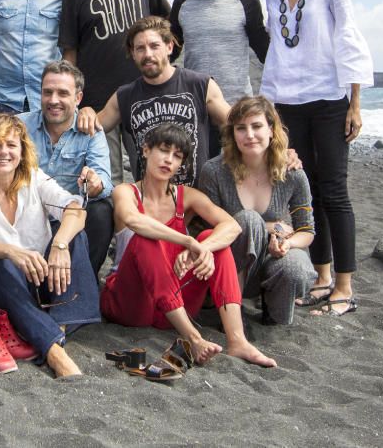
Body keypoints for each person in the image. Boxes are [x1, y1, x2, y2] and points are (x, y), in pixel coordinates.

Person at [258, 0, 373, 317]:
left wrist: (354, 103)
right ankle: (322, 279)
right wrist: (270, 108)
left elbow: (348, 39)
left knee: (335, 191)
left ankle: (344, 286)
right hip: (288, 105)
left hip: (329, 100)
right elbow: (277, 52)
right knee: (307, 192)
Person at [100, 124, 276, 367]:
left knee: (213, 241)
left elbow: (232, 226)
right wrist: (186, 240)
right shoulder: (126, 191)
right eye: (163, 150)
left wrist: (204, 248)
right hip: (130, 303)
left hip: (172, 310)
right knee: (146, 239)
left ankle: (237, 341)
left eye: (177, 156)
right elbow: (134, 221)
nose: (168, 160)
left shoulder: (186, 196)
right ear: (146, 150)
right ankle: (193, 337)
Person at [0, 115, 101, 379]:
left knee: (74, 237)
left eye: (11, 145)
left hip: (36, 285)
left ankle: (51, 329)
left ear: (22, 152)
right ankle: (55, 351)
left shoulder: (34, 180)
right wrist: (12, 251)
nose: (4, 152)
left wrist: (59, 244)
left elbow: (76, 210)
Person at [60, 0, 170, 183]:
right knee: (108, 179)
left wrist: (165, 74)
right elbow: (69, 54)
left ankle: (153, 226)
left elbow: (169, 27)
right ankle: (116, 227)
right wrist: (77, 101)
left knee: (153, 174)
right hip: (98, 107)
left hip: (145, 99)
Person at [199, 96, 316, 325]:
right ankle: (233, 310)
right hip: (230, 262)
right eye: (241, 128)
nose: (249, 135)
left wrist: (286, 244)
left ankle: (274, 315)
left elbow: (307, 230)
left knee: (295, 267)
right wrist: (272, 227)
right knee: (248, 220)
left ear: (271, 130)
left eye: (257, 126)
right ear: (232, 134)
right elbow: (209, 228)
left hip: (273, 258)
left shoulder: (293, 173)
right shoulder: (214, 171)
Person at [77, 16, 230, 186]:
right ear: (133, 54)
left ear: (169, 46)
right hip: (150, 203)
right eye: (140, 48)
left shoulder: (201, 85)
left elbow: (237, 126)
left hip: (198, 200)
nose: (148, 54)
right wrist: (87, 111)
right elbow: (91, 128)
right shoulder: (124, 96)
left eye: (154, 46)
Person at [169, 0, 269, 157]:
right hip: (197, 113)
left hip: (239, 111)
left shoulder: (246, 1)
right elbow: (169, 53)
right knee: (204, 183)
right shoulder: (181, 4)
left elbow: (267, 55)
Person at [17, 60, 114, 277]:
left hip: (71, 219)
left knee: (102, 211)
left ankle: (84, 280)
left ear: (78, 98)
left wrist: (94, 183)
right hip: (28, 217)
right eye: (47, 92)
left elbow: (105, 181)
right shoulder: (19, 126)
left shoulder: (91, 130)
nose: (53, 100)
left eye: (62, 93)